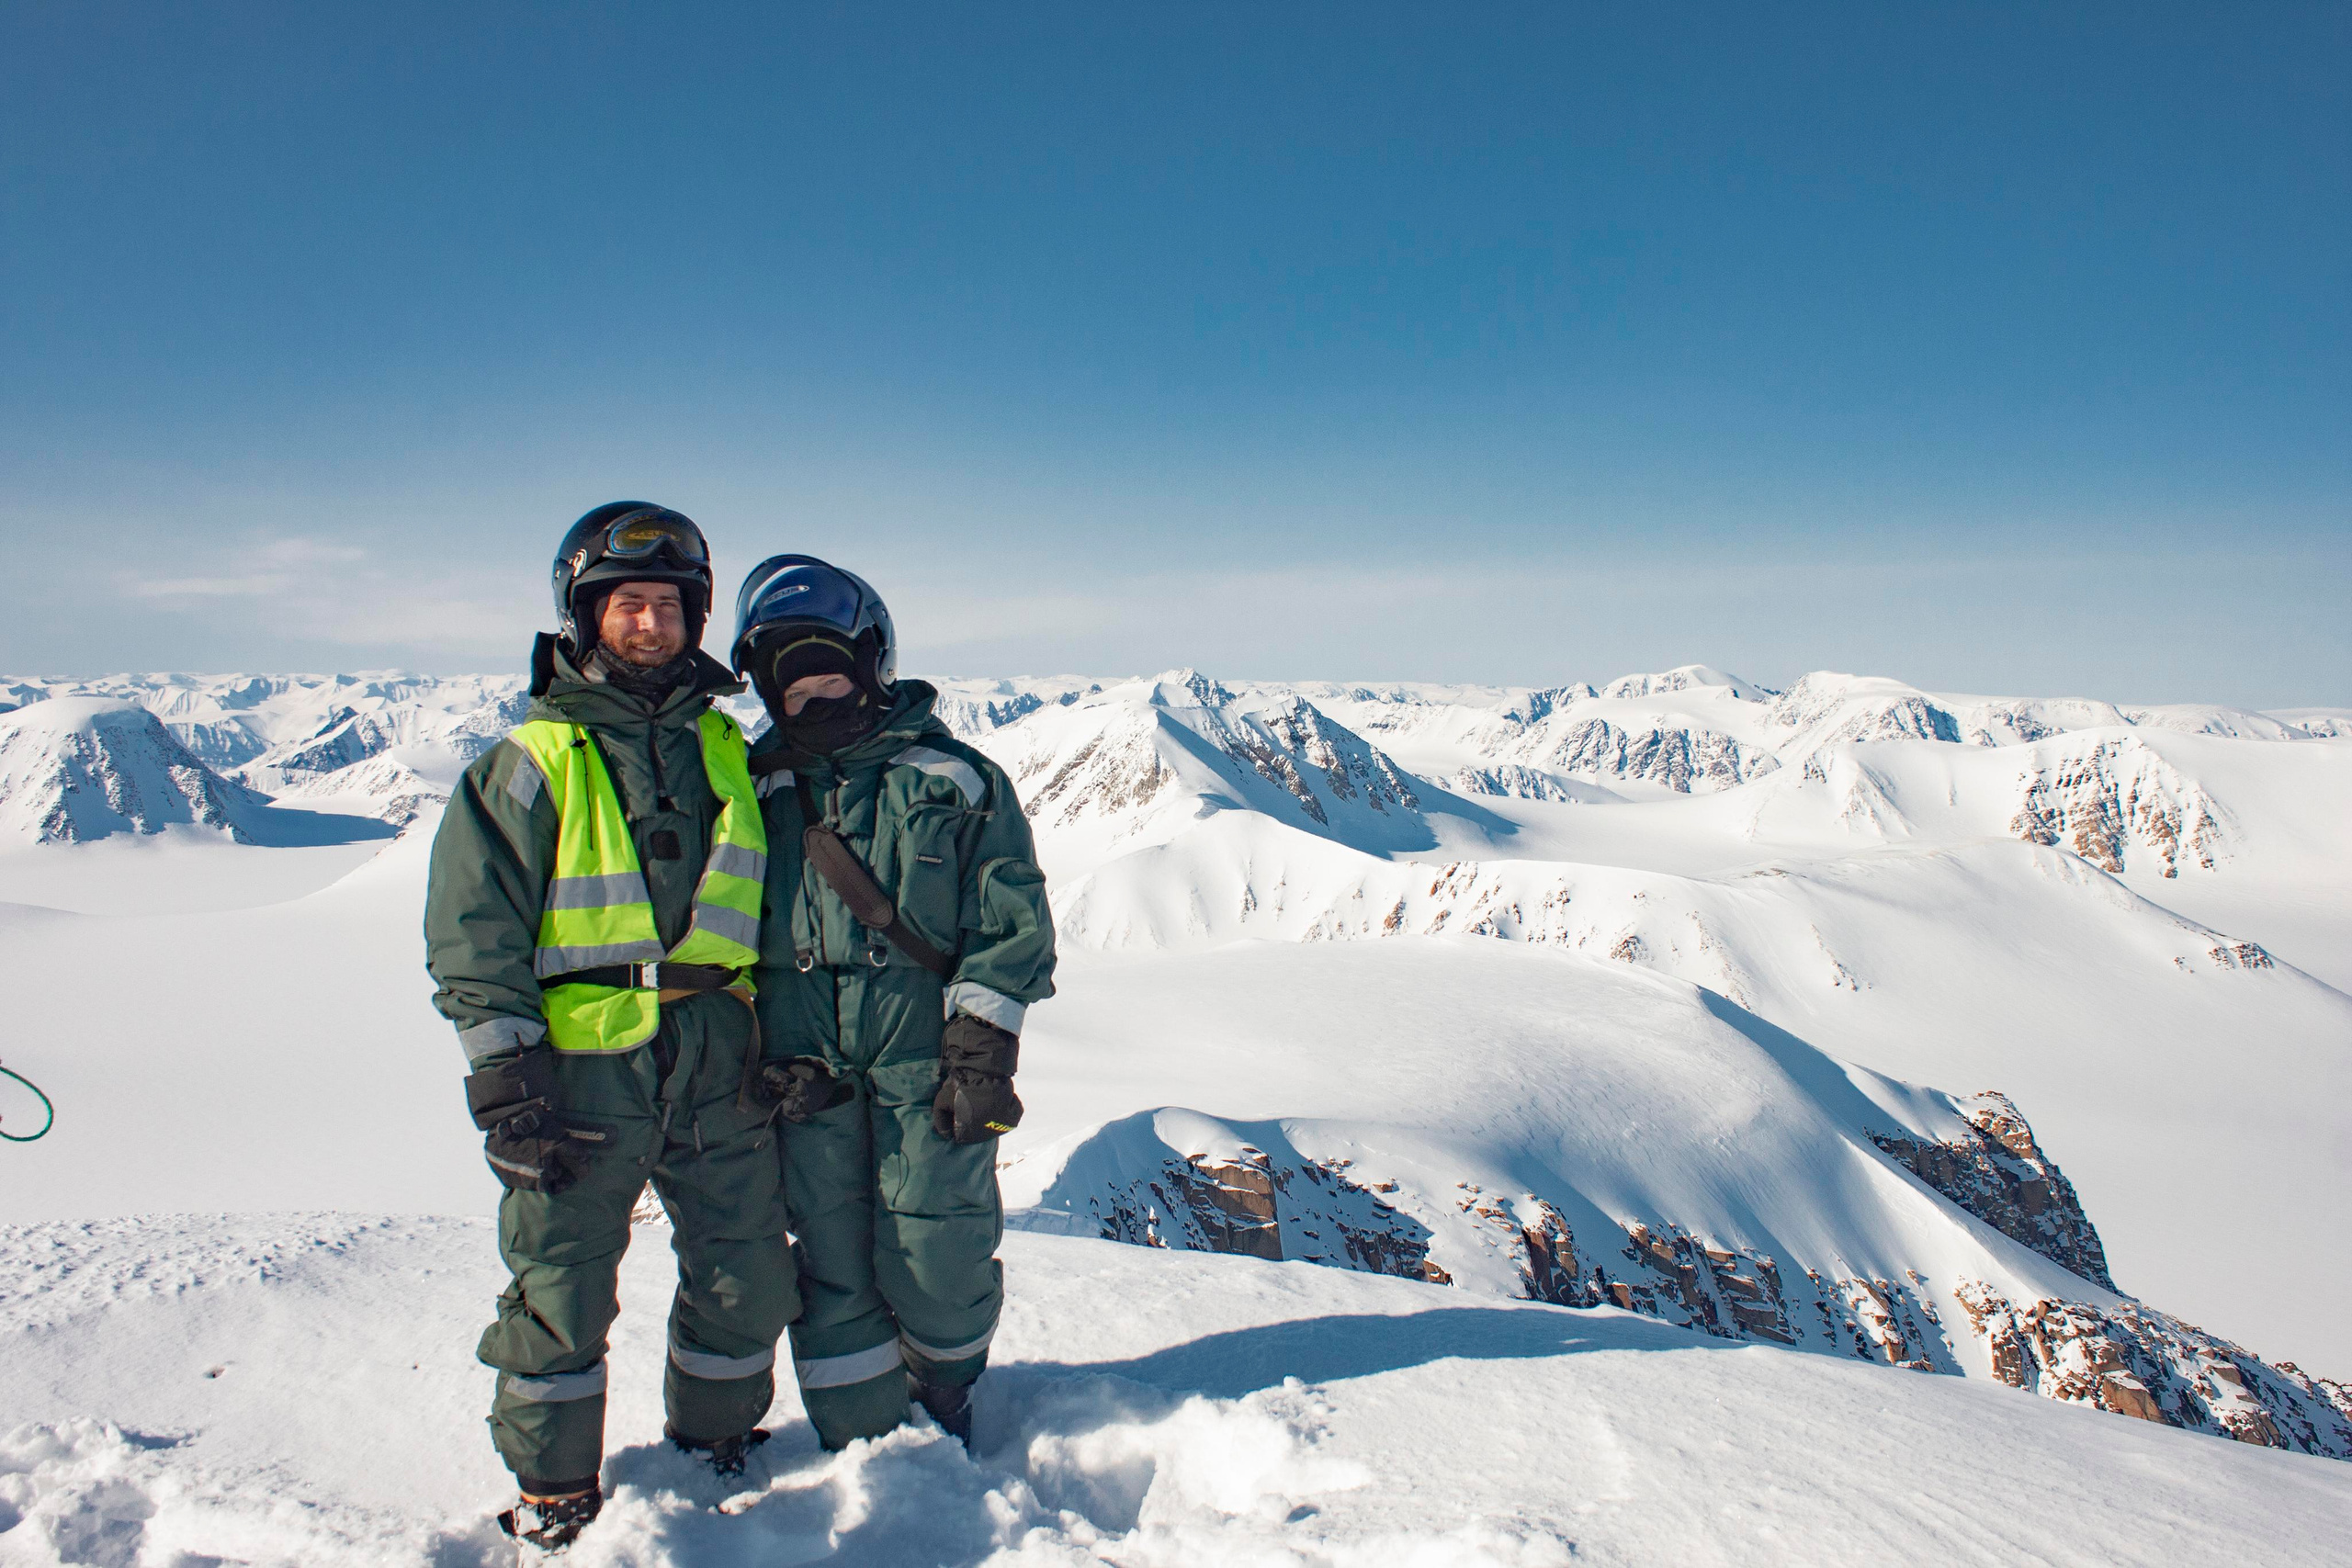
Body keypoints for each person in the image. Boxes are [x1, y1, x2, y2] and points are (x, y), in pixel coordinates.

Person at [424, 502, 795, 1556]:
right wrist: (505, 1081)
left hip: (718, 1053)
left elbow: (774, 909)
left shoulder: (727, 749)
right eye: (627, 603)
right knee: (562, 1284)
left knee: (746, 1270)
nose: (650, 624)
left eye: (669, 606)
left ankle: (712, 1446)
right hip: (581, 1065)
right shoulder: (530, 762)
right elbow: (474, 930)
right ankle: (553, 1488)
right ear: (584, 615)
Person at [730, 555, 1057, 1450]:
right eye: (794, 690)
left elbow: (1009, 921)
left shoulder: (954, 779)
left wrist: (982, 1051)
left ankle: (944, 1396)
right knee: (832, 1263)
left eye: (831, 678)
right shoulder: (752, 788)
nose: (814, 700)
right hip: (804, 1070)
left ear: (874, 665)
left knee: (939, 1250)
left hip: (928, 1060)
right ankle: (862, 1441)